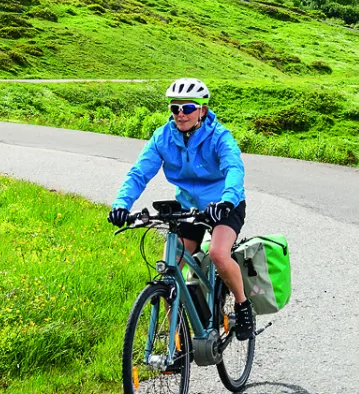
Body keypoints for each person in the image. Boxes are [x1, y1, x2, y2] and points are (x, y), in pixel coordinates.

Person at [107, 77, 254, 339]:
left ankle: (243, 306)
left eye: (187, 108)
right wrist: (121, 205)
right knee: (168, 269)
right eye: (175, 108)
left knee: (220, 254)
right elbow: (139, 173)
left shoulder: (219, 136)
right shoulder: (163, 138)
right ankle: (179, 340)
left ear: (202, 110)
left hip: (224, 204)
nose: (180, 114)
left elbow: (234, 168)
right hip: (189, 207)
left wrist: (228, 200)